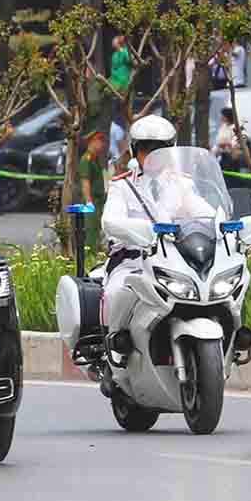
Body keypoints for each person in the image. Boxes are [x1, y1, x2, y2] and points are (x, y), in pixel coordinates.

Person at [97, 115, 178, 361]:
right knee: (116, 291)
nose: (152, 157)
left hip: (174, 261)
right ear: (135, 151)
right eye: (146, 150)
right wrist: (138, 230)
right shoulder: (122, 187)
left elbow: (204, 211)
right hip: (133, 261)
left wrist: (221, 222)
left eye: (159, 151)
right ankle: (115, 347)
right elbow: (110, 221)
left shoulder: (181, 185)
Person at [79, 130, 108, 250]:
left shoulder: (95, 159)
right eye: (100, 141)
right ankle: (89, 255)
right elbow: (85, 181)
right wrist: (88, 201)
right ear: (93, 142)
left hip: (99, 200)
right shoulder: (87, 159)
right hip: (92, 201)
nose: (102, 145)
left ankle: (95, 253)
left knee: (97, 229)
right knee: (91, 230)